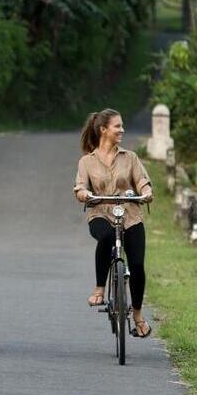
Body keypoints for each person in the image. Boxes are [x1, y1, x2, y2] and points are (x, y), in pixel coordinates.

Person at [73, 109, 154, 338]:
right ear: (103, 130)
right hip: (100, 213)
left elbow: (142, 181)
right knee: (107, 235)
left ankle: (137, 316)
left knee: (137, 265)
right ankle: (100, 288)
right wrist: (84, 194)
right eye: (117, 126)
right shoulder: (87, 162)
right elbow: (80, 186)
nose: (122, 130)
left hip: (130, 215)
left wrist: (146, 192)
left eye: (122, 126)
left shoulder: (130, 158)